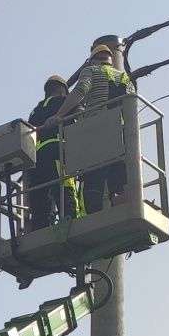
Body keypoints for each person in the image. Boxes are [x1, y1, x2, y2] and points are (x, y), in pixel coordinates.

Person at [56, 34, 133, 214]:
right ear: (110, 59)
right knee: (119, 182)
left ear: (93, 59)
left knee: (93, 180)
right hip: (120, 134)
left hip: (97, 129)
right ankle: (121, 209)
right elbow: (131, 103)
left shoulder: (91, 71)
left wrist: (60, 115)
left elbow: (80, 91)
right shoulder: (124, 77)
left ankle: (95, 214)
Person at [25, 75, 71, 231]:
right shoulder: (63, 103)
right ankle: (70, 218)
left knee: (40, 195)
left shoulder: (36, 110)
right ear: (62, 89)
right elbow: (76, 121)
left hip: (36, 158)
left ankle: (40, 227)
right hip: (57, 150)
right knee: (64, 186)